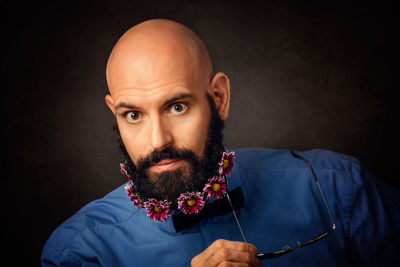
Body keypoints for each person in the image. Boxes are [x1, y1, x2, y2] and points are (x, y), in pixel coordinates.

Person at [41, 19, 400, 267]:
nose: (158, 140)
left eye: (177, 107)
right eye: (133, 115)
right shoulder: (80, 252)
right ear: (114, 115)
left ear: (219, 98)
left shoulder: (339, 190)